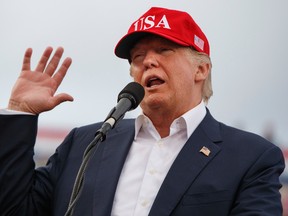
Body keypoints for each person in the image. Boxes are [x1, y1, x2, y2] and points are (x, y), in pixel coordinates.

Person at [0, 7, 285, 216]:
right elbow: (14, 209)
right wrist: (20, 113)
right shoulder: (85, 143)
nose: (148, 61)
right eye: (138, 57)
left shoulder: (251, 157)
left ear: (201, 69)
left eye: (163, 50)